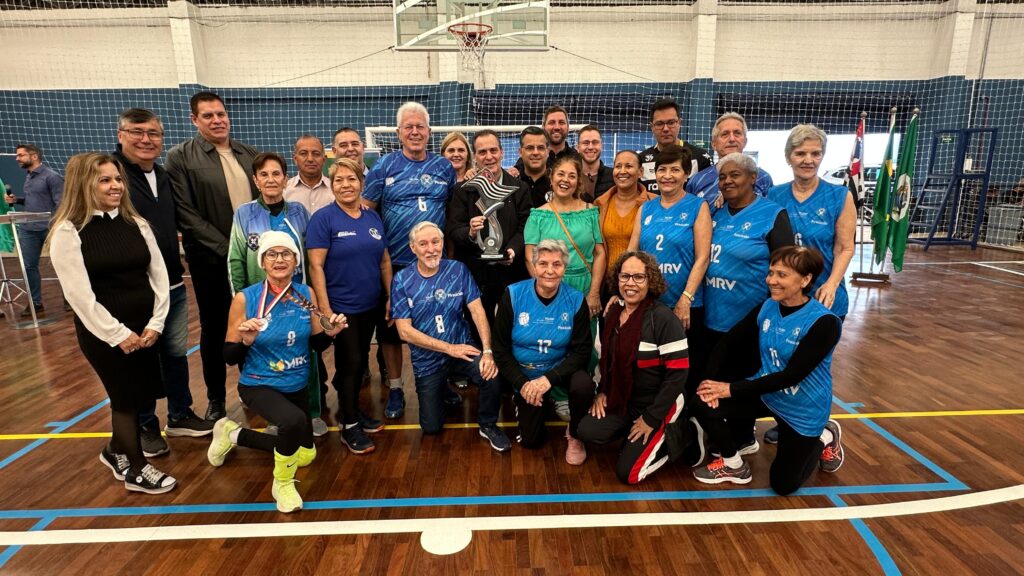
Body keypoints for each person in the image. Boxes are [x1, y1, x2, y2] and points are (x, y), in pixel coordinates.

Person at [48, 152, 175, 494]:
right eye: (105, 180)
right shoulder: (68, 232)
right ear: (83, 184)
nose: (115, 185)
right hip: (104, 335)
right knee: (125, 400)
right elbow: (80, 297)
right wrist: (117, 334)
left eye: (117, 179)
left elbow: (160, 278)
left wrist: (156, 324)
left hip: (145, 330)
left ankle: (114, 450)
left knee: (141, 395)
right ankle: (136, 469)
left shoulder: (137, 224)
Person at [210, 231, 345, 513]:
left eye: (286, 254)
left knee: (305, 455)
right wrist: (245, 341)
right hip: (259, 383)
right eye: (272, 254)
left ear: (296, 261)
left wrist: (332, 332)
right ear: (262, 262)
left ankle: (231, 434)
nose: (279, 259)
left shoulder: (305, 294)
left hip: (296, 384)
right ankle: (281, 483)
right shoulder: (245, 299)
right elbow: (228, 355)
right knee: (293, 423)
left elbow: (318, 344)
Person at [692, 246, 844, 493]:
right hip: (768, 395)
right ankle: (733, 465)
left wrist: (731, 389)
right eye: (771, 272)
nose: (771, 280)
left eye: (782, 275)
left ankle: (825, 436)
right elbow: (729, 341)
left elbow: (791, 376)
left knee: (783, 485)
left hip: (803, 408)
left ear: (805, 280)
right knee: (702, 400)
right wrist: (709, 380)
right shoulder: (767, 307)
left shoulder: (823, 323)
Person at [113, 108, 213, 458]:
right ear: (121, 134)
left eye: (153, 133)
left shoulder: (164, 174)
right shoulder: (111, 174)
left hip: (171, 281)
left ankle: (180, 414)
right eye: (137, 132)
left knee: (174, 353)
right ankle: (144, 425)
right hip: (133, 289)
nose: (146, 139)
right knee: (140, 356)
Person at [166, 91, 258, 421]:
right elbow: (185, 213)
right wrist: (227, 250)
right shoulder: (180, 158)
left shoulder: (248, 154)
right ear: (195, 120)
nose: (217, 120)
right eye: (208, 116)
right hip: (211, 260)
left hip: (252, 260)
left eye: (220, 114)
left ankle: (253, 389)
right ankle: (217, 398)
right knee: (216, 328)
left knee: (254, 323)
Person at [363, 101, 457, 420]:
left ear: (429, 132)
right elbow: (365, 210)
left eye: (420, 126)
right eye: (409, 127)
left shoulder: (444, 167)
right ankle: (396, 388)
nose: (415, 132)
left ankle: (438, 381)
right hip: (396, 267)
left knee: (437, 327)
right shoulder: (384, 167)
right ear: (399, 132)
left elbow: (454, 211)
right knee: (391, 330)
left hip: (435, 265)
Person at [763, 125, 855, 446]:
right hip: (786, 300)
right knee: (781, 362)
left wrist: (831, 282)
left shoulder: (839, 196)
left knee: (814, 369)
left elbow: (845, 247)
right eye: (801, 153)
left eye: (815, 153)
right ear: (789, 157)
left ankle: (823, 430)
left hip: (824, 301)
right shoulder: (774, 195)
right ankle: (787, 420)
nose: (808, 159)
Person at [227, 153, 328, 436]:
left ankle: (313, 411)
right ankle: (275, 416)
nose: (271, 179)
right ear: (255, 180)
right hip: (261, 305)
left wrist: (314, 302)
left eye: (276, 174)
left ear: (286, 179)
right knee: (265, 356)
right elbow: (235, 259)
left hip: (296, 300)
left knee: (305, 353)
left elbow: (310, 257)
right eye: (264, 175)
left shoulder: (298, 212)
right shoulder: (244, 214)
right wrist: (242, 301)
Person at [391, 222, 510, 451]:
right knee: (431, 427)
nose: (430, 249)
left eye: (436, 242)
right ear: (412, 248)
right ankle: (442, 388)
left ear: (443, 244)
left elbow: (477, 311)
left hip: (462, 350)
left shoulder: (458, 269)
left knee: (491, 374)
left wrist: (487, 351)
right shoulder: (402, 280)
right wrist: (448, 348)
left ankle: (488, 425)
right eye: (423, 244)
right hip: (428, 360)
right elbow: (404, 331)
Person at [703, 153, 794, 454]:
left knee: (742, 381)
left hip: (750, 316)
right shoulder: (715, 214)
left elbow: (785, 268)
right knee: (717, 378)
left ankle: (743, 437)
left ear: (753, 178)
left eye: (735, 175)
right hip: (712, 313)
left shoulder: (771, 214)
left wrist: (771, 311)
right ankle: (727, 432)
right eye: (722, 177)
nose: (727, 181)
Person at [573, 251, 689, 484]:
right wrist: (603, 390)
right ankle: (634, 440)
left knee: (629, 474)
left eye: (638, 277)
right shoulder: (613, 313)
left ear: (651, 280)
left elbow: (678, 375)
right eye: (625, 276)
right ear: (617, 280)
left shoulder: (663, 319)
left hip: (658, 404)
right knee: (586, 430)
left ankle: (682, 440)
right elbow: (608, 361)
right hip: (624, 400)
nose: (630, 283)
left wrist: (651, 418)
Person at [307, 158, 390, 454]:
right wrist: (326, 310)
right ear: (332, 185)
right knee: (351, 363)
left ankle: (350, 412)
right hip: (342, 308)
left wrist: (390, 296)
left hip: (371, 305)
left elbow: (384, 261)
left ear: (361, 183)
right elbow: (315, 266)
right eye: (339, 180)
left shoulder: (372, 218)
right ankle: (349, 426)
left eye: (351, 179)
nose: (346, 184)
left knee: (358, 361)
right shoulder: (323, 219)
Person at [492, 239, 593, 464]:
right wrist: (523, 383)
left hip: (558, 371)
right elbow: (500, 349)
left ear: (564, 268)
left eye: (556, 264)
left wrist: (548, 380)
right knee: (532, 441)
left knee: (584, 384)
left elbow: (581, 351)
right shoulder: (513, 294)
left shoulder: (576, 300)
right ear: (534, 266)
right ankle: (530, 401)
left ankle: (575, 434)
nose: (549, 270)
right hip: (525, 373)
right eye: (543, 264)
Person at [524, 155, 606, 421]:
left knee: (586, 345)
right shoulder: (538, 215)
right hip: (552, 285)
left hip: (583, 285)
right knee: (557, 342)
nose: (565, 180)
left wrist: (594, 291)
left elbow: (599, 253)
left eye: (572, 176)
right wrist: (543, 289)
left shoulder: (590, 211)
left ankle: (581, 390)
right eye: (561, 175)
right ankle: (558, 396)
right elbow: (530, 255)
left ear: (578, 180)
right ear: (552, 177)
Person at [628, 144, 711, 394]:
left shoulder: (698, 207)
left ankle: (682, 424)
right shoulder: (646, 208)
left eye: (675, 170)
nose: (667, 175)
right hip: (650, 304)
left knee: (681, 369)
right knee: (650, 366)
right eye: (662, 169)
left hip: (684, 305)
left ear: (686, 174)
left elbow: (703, 258)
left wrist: (686, 298)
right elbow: (632, 254)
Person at [446, 129, 532, 326]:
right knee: (479, 330)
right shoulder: (462, 190)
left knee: (512, 327)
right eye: (482, 152)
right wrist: (470, 232)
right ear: (475, 156)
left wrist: (512, 251)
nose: (489, 157)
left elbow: (525, 227)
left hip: (512, 273)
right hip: (476, 275)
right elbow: (453, 229)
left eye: (493, 150)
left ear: (502, 152)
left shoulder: (520, 188)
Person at [595, 150, 655, 299]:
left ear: (640, 172)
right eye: (618, 166)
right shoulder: (600, 204)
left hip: (641, 286)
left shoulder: (654, 204)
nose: (622, 171)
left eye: (629, 166)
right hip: (608, 287)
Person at [12, 143, 63, 317]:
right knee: (29, 267)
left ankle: (71, 300)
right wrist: (17, 200)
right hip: (28, 229)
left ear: (34, 157)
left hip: (49, 229)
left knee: (62, 265)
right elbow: (33, 201)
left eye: (20, 155)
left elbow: (61, 204)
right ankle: (36, 302)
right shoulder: (29, 176)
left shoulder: (52, 177)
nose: (17, 158)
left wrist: (55, 226)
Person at [686, 112, 774, 206]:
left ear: (745, 141)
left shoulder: (763, 177)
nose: (732, 139)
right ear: (714, 144)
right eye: (725, 134)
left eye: (737, 133)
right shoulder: (697, 181)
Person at [638, 98, 712, 194]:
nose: (665, 129)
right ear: (652, 127)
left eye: (671, 123)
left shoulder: (700, 157)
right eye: (659, 124)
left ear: (679, 123)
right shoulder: (641, 160)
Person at [284, 134, 332, 215]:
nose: (310, 159)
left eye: (316, 154)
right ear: (295, 159)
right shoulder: (284, 191)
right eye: (303, 153)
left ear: (324, 159)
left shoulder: (336, 190)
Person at [577, 125, 615, 203]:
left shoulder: (614, 176)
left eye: (595, 142)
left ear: (601, 146)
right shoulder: (571, 176)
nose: (590, 147)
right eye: (586, 143)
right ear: (578, 148)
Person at [517, 126, 553, 208]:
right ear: (520, 152)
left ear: (547, 152)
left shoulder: (557, 183)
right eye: (530, 148)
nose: (535, 152)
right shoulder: (512, 184)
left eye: (540, 148)